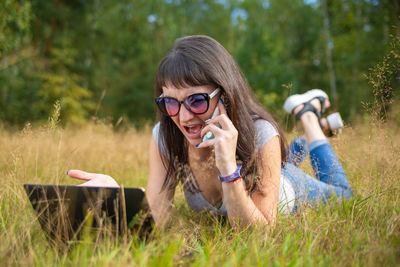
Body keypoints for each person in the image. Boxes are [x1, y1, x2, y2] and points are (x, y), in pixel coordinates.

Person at [67, 35, 353, 230]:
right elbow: (158, 215)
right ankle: (306, 135)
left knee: (344, 194)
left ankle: (309, 114)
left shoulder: (261, 133)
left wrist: (228, 166)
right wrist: (119, 196)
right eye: (171, 102)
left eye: (197, 100)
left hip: (291, 187)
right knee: (283, 156)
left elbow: (258, 232)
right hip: (268, 159)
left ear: (225, 96)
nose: (184, 116)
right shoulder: (165, 135)